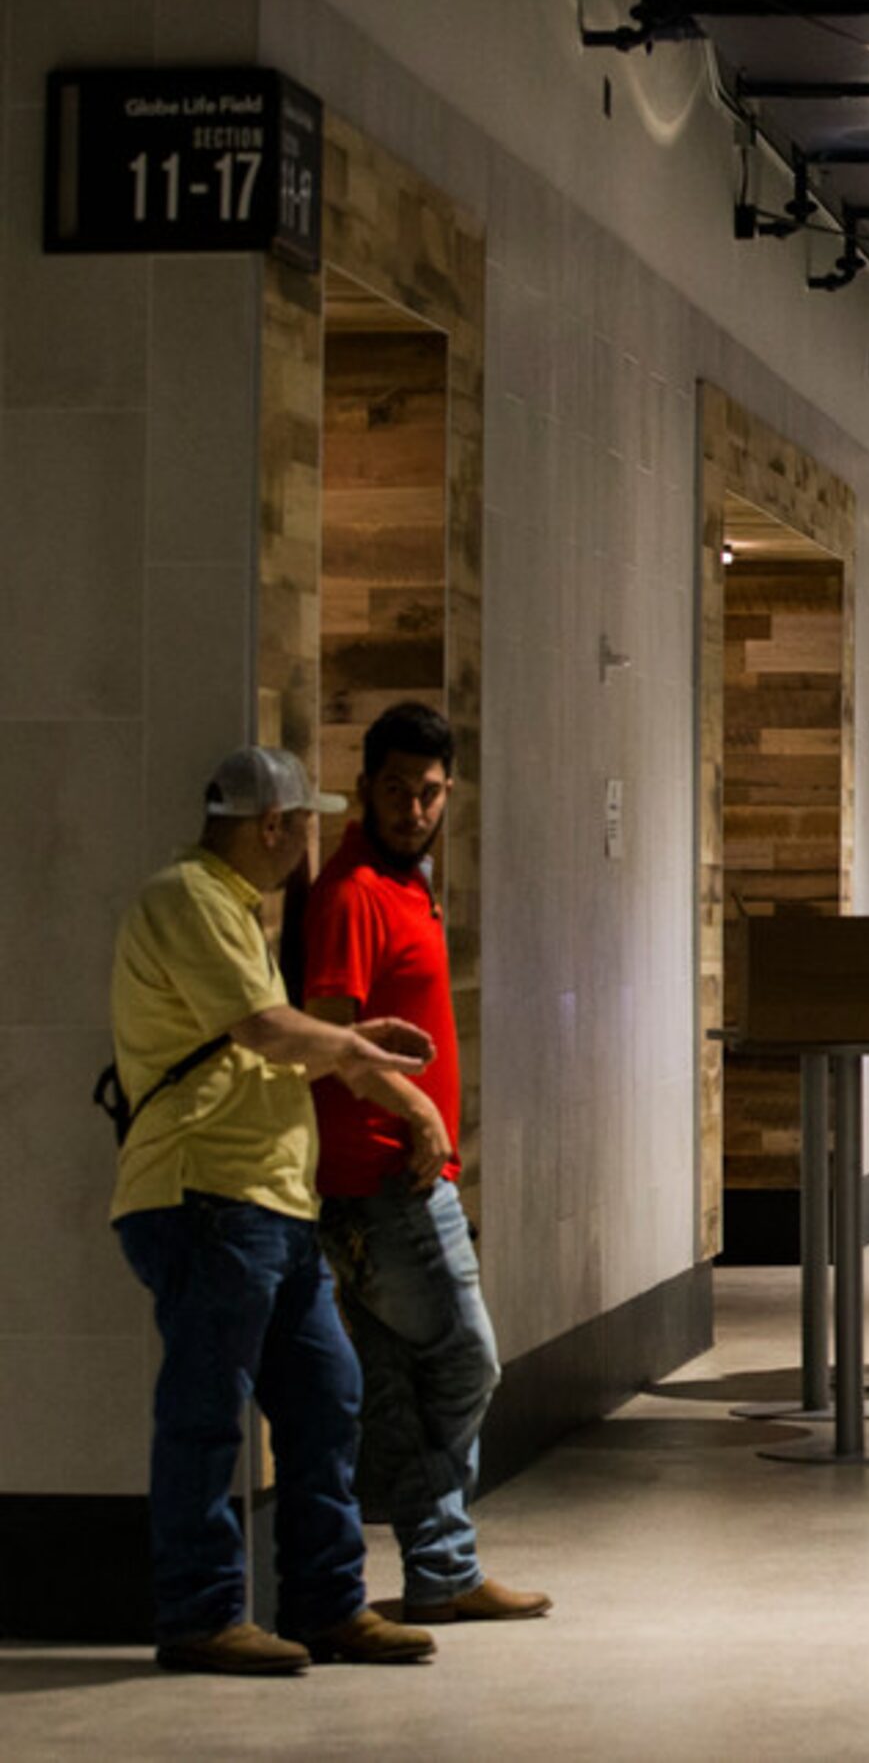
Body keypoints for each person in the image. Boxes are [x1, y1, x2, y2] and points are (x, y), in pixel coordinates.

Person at [108, 745, 442, 1675]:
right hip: (208, 1192)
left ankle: (327, 1603)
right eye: (306, 823)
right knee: (208, 1413)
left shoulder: (232, 911)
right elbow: (263, 1030)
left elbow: (269, 1032)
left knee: (325, 1401)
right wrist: (365, 1058)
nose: (312, 841)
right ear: (272, 826)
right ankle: (202, 1613)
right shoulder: (189, 897)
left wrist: (344, 1041)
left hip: (266, 1198)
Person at [303, 704, 549, 1629]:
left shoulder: (412, 884)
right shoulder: (355, 891)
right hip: (383, 1178)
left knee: (407, 1377)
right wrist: (410, 1111)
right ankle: (437, 1546)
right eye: (398, 789)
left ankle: (441, 1566)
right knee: (466, 1362)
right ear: (366, 786)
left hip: (404, 1175)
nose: (415, 807)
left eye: (431, 792)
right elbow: (329, 1032)